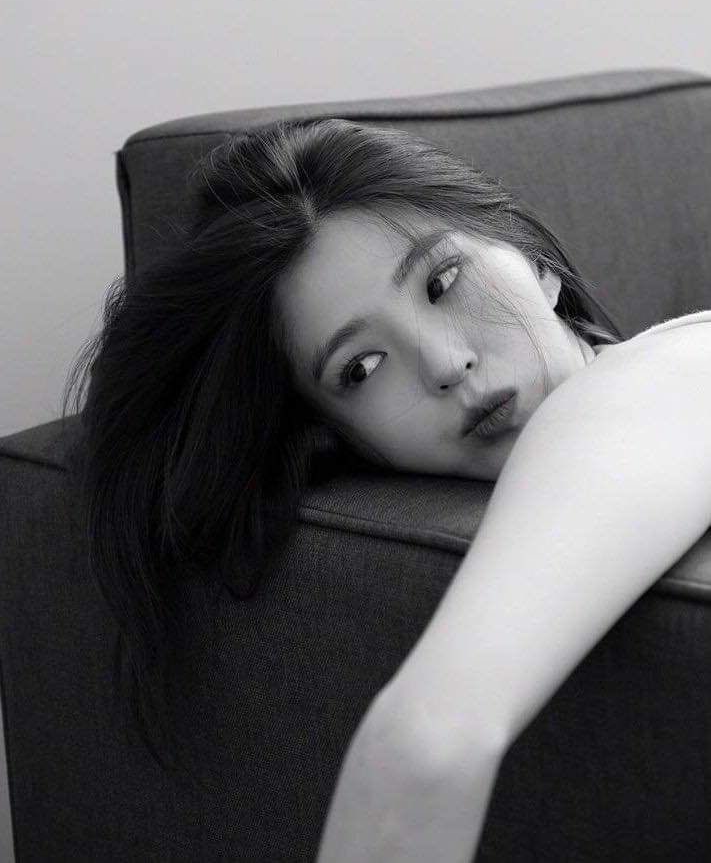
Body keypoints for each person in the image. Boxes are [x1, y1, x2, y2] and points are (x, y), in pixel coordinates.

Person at [61, 118, 711, 860]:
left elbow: (422, 752)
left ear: (535, 263)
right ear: (334, 435)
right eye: (361, 369)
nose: (444, 363)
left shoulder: (665, 374)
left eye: (443, 281)